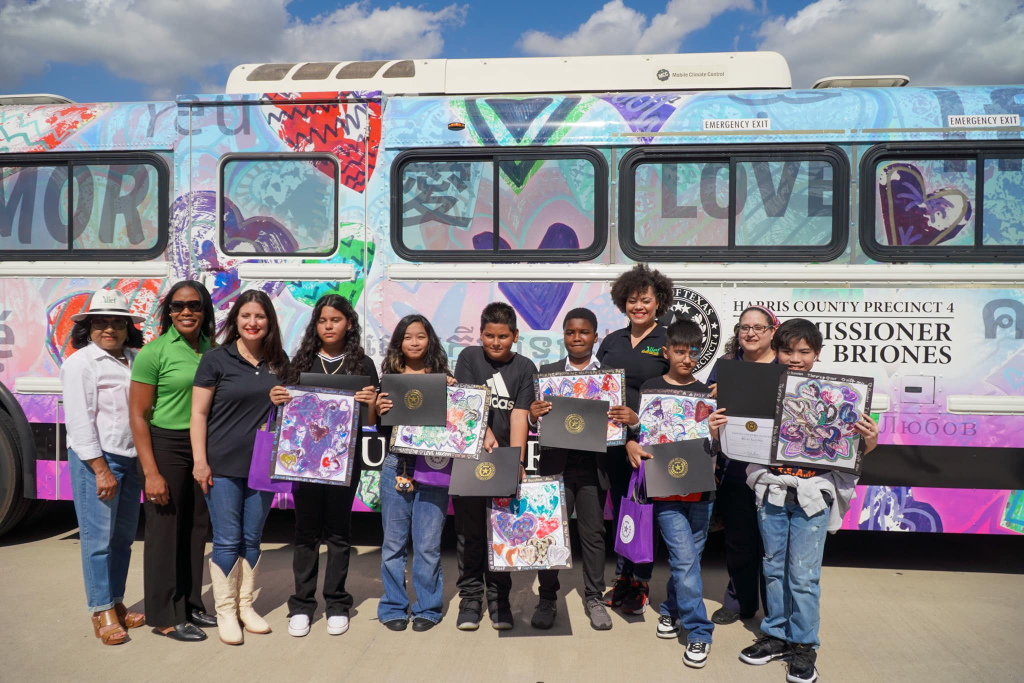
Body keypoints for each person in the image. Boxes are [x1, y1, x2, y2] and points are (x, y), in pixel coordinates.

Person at [733, 319, 879, 683]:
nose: (795, 359)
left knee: (803, 575)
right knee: (773, 567)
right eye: (787, 351)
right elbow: (743, 437)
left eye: (804, 352)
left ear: (816, 354)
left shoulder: (839, 395)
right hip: (772, 492)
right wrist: (722, 428)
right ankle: (776, 635)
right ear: (776, 351)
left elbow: (857, 450)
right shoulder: (762, 390)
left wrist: (871, 440)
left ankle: (804, 646)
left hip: (813, 497)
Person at [270, 294, 379, 638]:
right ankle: (302, 605)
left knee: (338, 532)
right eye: (322, 320)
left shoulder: (363, 365)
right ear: (315, 325)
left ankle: (336, 603)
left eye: (335, 319)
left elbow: (372, 420)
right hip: (304, 464)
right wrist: (278, 398)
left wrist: (371, 403)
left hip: (342, 463)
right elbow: (286, 418)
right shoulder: (299, 363)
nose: (328, 326)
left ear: (349, 323)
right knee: (305, 532)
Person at [191, 290, 288, 645]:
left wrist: (282, 399)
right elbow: (198, 414)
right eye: (246, 316)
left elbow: (291, 414)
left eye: (260, 316)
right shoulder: (216, 359)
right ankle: (226, 611)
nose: (253, 323)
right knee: (228, 539)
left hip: (262, 465)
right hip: (222, 464)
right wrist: (200, 462)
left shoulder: (280, 362)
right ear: (236, 320)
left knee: (252, 537)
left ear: (269, 322)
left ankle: (246, 607)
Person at [623, 319, 721, 669]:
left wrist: (715, 430)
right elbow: (637, 429)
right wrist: (632, 436)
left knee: (689, 562)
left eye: (693, 352)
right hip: (663, 491)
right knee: (683, 560)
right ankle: (699, 632)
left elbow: (717, 445)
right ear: (666, 352)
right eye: (679, 351)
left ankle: (669, 610)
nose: (686, 358)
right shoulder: (649, 388)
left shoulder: (708, 393)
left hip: (701, 491)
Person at [130, 281, 217, 643]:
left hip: (201, 447)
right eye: (179, 305)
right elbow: (138, 415)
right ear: (168, 311)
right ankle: (165, 615)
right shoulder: (155, 352)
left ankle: (192, 603)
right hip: (165, 445)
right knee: (165, 532)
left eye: (194, 305)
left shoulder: (212, 350)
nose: (186, 312)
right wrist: (151, 472)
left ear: (204, 311)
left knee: (197, 530)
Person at [61, 289, 147, 646]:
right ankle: (101, 610)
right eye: (100, 322)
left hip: (131, 458)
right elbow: (80, 422)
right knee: (97, 541)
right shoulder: (81, 363)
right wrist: (100, 469)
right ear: (89, 328)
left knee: (123, 540)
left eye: (116, 322)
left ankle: (115, 600)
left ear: (128, 328)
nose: (108, 329)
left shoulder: (135, 359)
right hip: (99, 461)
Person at [529, 307, 618, 631]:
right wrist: (532, 414)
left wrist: (622, 419)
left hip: (593, 468)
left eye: (583, 332)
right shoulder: (548, 372)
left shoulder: (609, 377)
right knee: (550, 533)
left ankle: (594, 597)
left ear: (595, 337)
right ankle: (547, 598)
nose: (577, 337)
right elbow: (532, 417)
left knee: (593, 536)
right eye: (570, 332)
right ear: (563, 336)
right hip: (557, 466)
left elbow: (617, 424)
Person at [452, 302, 536, 631]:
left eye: (503, 336)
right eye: (489, 335)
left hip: (503, 460)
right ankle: (470, 599)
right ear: (481, 334)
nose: (495, 342)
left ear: (514, 336)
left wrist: (515, 462)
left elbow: (519, 415)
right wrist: (485, 435)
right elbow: (468, 402)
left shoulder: (526, 367)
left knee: (502, 533)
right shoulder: (469, 359)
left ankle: (500, 601)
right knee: (469, 534)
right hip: (471, 458)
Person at [598, 264, 673, 614]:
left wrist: (637, 428)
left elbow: (673, 397)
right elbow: (599, 390)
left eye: (645, 300)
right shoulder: (611, 341)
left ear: (659, 302)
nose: (638, 306)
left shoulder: (668, 341)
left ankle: (641, 581)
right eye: (632, 300)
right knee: (622, 509)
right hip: (614, 442)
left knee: (645, 511)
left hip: (649, 442)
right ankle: (622, 577)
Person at [374, 314, 454, 632]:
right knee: (393, 544)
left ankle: (428, 607)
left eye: (420, 336)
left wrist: (455, 393)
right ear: (399, 343)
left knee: (428, 545)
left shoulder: (444, 378)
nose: (415, 342)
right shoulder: (389, 379)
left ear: (429, 340)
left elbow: (459, 424)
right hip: (396, 465)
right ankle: (394, 605)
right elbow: (380, 427)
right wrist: (377, 410)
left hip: (433, 467)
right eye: (408, 337)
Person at [705, 305, 779, 626]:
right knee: (739, 538)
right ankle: (739, 601)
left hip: (775, 469)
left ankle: (775, 610)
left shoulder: (784, 366)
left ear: (772, 331)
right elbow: (705, 411)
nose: (750, 333)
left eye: (758, 327)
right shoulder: (725, 368)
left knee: (772, 543)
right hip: (733, 465)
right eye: (744, 327)